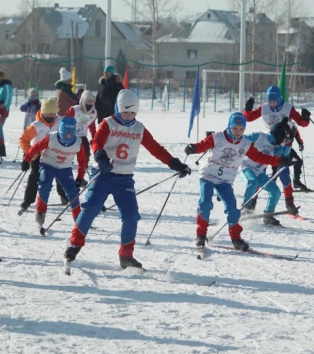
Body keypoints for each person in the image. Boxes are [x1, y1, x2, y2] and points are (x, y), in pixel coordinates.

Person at [65, 89, 191, 270]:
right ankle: (74, 245)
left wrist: (175, 163)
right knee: (91, 207)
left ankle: (126, 255)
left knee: (131, 216)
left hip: (124, 179)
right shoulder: (108, 123)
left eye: (132, 112)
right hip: (102, 174)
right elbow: (96, 142)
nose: (128, 115)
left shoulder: (139, 128)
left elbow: (155, 148)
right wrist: (100, 158)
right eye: (125, 111)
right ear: (117, 108)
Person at [185, 112, 282, 250]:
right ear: (229, 126)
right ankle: (201, 234)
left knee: (232, 209)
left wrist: (279, 161)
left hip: (225, 180)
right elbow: (202, 145)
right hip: (208, 176)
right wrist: (193, 148)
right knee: (205, 204)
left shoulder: (246, 143)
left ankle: (236, 238)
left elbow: (260, 157)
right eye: (235, 128)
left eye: (241, 129)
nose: (238, 132)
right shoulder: (217, 137)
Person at [22, 116, 88, 228]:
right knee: (44, 185)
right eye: (65, 134)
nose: (68, 137)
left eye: (70, 134)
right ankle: (41, 213)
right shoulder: (51, 138)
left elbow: (82, 161)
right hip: (47, 165)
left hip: (64, 169)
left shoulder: (78, 143)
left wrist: (80, 177)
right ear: (61, 131)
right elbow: (35, 148)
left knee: (72, 191)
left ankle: (78, 217)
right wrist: (26, 160)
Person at [243, 85, 311, 191]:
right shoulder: (264, 108)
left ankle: (292, 187)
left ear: (279, 99)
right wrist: (247, 109)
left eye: (274, 101)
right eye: (270, 101)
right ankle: (256, 190)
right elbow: (249, 118)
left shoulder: (288, 108)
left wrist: (305, 118)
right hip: (267, 141)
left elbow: (301, 123)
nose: (272, 104)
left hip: (283, 142)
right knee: (262, 165)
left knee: (290, 164)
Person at [239, 117, 297, 222]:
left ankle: (268, 216)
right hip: (246, 167)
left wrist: (289, 143)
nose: (284, 141)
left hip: (259, 172)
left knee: (275, 191)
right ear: (279, 136)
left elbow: (284, 155)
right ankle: (246, 207)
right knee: (252, 182)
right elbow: (240, 139)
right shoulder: (259, 136)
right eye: (285, 138)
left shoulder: (277, 146)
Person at [18, 99, 64, 211]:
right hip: (38, 155)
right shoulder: (36, 125)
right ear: (43, 112)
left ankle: (65, 196)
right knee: (34, 177)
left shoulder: (60, 121)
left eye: (53, 113)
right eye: (49, 113)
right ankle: (28, 200)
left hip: (55, 154)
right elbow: (23, 139)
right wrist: (29, 152)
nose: (52, 115)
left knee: (61, 176)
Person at [64, 90, 98, 185]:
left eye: (92, 101)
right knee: (67, 156)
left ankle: (80, 177)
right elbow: (64, 121)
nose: (90, 103)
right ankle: (64, 175)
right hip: (70, 136)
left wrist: (94, 137)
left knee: (85, 156)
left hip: (82, 136)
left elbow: (91, 126)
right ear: (83, 101)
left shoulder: (94, 113)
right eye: (88, 101)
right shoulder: (74, 110)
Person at [0, 70, 13, 158]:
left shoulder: (6, 86)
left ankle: (0, 148)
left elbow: (8, 98)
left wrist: (4, 107)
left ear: (1, 79)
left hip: (2, 110)